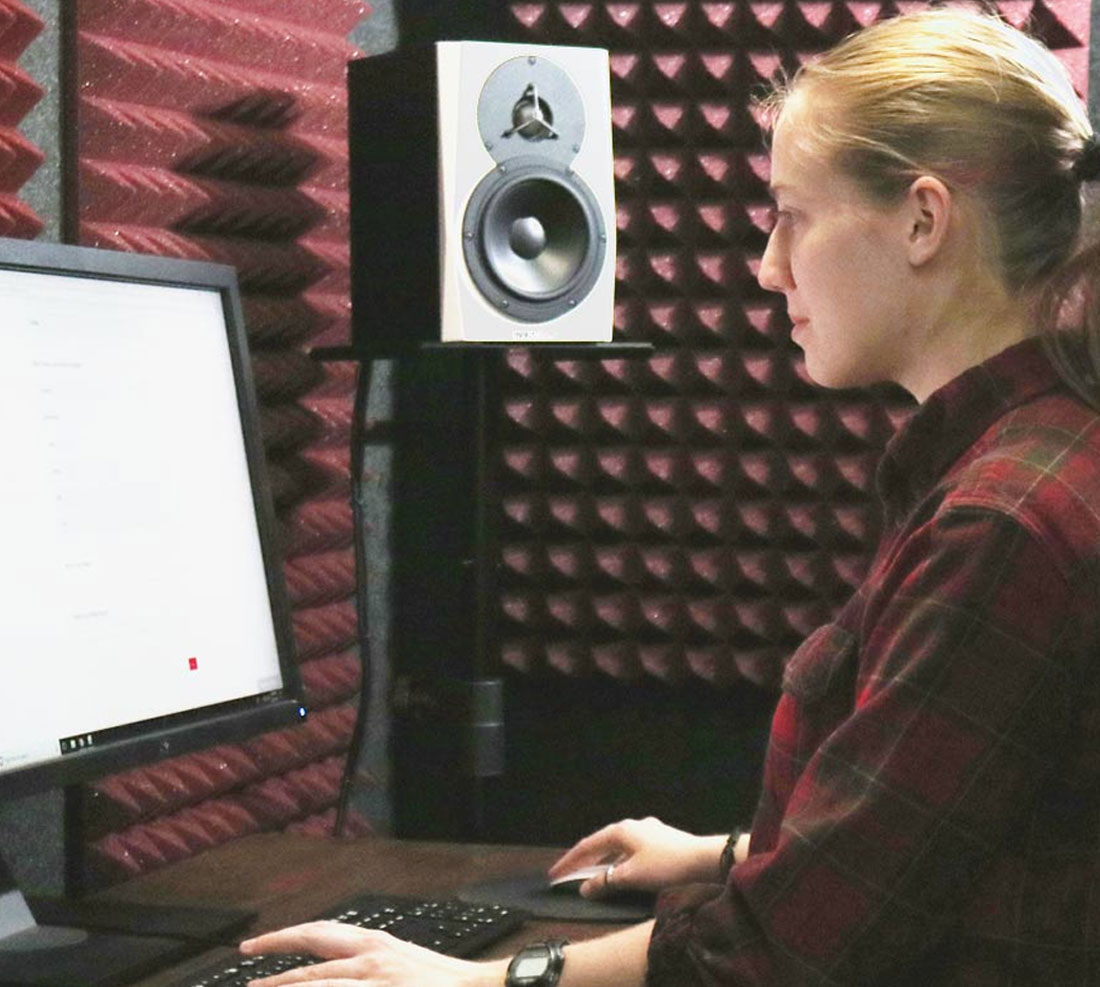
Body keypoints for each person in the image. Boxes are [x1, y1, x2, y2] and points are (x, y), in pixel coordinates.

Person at [238, 7, 1100, 985]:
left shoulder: (1002, 517)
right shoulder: (1033, 456)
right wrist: (721, 857)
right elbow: (961, 835)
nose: (767, 268)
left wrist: (479, 980)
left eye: (791, 214)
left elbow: (789, 953)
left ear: (920, 219)